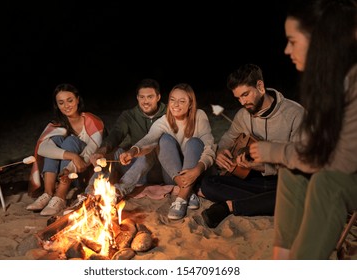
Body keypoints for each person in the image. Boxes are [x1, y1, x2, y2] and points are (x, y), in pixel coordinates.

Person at [249, 0, 357, 259]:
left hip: (345, 177)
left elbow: (339, 162)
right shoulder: (327, 84)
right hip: (342, 172)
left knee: (327, 183)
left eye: (293, 41)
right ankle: (282, 260)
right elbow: (308, 147)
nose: (287, 50)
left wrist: (272, 151)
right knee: (292, 171)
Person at [199, 63, 305, 228]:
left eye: (245, 94)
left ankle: (231, 205)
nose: (242, 102)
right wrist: (220, 152)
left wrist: (263, 167)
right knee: (208, 184)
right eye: (238, 98)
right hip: (255, 180)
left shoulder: (295, 114)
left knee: (298, 194)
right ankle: (264, 202)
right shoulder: (243, 115)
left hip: (285, 180)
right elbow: (227, 138)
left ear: (260, 86)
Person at [119, 83, 216, 220]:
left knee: (194, 142)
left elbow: (209, 146)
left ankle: (181, 198)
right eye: (172, 100)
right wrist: (132, 152)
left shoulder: (199, 116)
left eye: (182, 101)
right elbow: (149, 139)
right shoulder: (163, 121)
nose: (176, 104)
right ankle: (188, 190)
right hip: (173, 175)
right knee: (163, 139)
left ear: (190, 104)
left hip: (197, 173)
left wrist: (197, 170)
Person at [27, 83, 105, 216]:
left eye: (70, 100)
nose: (66, 106)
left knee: (70, 141)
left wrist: (69, 167)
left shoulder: (93, 121)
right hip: (63, 174)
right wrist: (72, 156)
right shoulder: (56, 124)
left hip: (86, 171)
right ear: (57, 105)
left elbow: (91, 152)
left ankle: (60, 196)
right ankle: (48, 193)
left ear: (77, 100)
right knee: (52, 143)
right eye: (61, 103)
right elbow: (42, 148)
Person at [86, 78, 166, 195]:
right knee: (113, 153)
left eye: (150, 97)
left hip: (157, 169)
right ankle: (90, 192)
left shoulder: (168, 113)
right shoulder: (129, 115)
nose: (145, 101)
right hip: (133, 167)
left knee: (149, 148)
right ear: (137, 98)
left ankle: (119, 190)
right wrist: (101, 152)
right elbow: (116, 134)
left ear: (158, 97)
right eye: (142, 97)